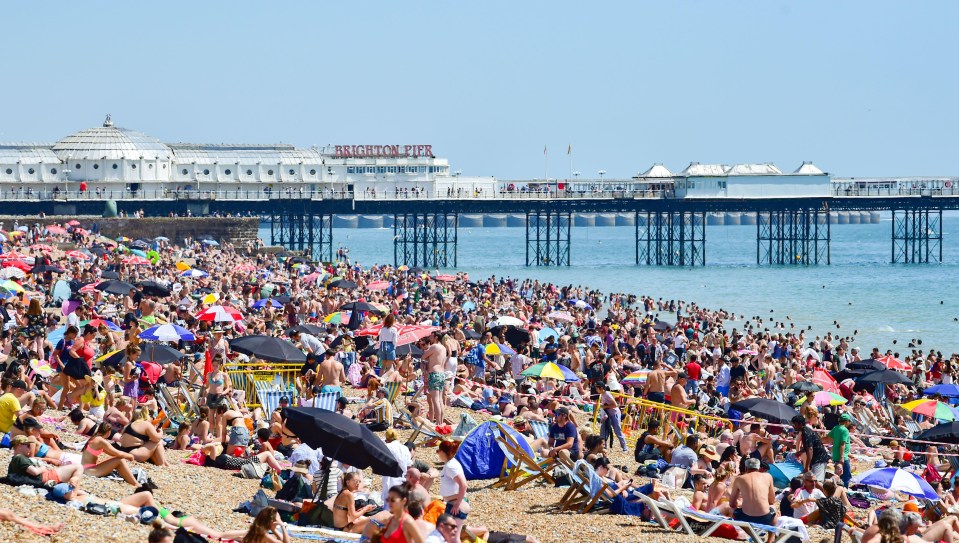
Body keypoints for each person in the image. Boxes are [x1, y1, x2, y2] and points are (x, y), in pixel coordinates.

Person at [729, 457, 776, 526]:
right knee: (773, 507)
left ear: (746, 468)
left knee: (731, 509)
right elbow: (772, 501)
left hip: (745, 518)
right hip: (765, 518)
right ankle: (771, 536)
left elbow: (732, 504)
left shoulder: (739, 479)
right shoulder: (768, 476)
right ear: (759, 467)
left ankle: (746, 531)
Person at [437, 440, 468, 540]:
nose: (437, 453)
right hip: (453, 504)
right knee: (450, 537)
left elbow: (463, 485)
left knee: (454, 538)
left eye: (438, 451)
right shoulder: (450, 464)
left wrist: (457, 504)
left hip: (456, 505)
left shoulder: (451, 466)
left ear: (442, 452)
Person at [791, 415, 830, 481]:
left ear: (800, 424)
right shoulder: (805, 431)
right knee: (812, 481)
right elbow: (808, 446)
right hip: (816, 459)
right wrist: (800, 452)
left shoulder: (806, 432)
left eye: (795, 424)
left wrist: (807, 466)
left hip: (819, 459)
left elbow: (810, 449)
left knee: (816, 481)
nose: (793, 426)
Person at [826, 413, 853, 487]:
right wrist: (842, 457)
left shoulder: (835, 428)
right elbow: (842, 444)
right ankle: (844, 492)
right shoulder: (845, 430)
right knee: (846, 477)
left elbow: (828, 439)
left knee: (837, 475)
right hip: (843, 457)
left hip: (835, 455)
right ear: (847, 421)